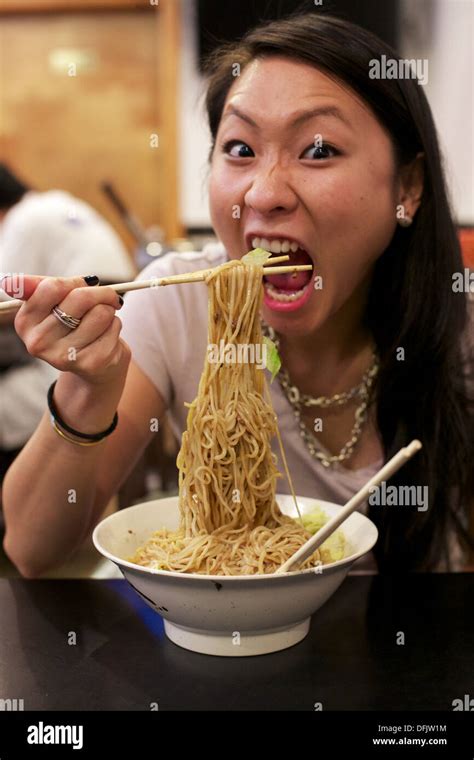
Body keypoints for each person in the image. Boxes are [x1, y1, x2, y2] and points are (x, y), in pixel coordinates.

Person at [1, 13, 473, 577]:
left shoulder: (461, 332)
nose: (264, 192)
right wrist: (87, 388)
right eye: (241, 149)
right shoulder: (174, 303)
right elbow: (32, 550)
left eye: (318, 150)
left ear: (408, 188)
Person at [0, 164, 135, 492]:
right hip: (118, 330)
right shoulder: (57, 204)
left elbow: (5, 299)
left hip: (86, 351)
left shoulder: (22, 220)